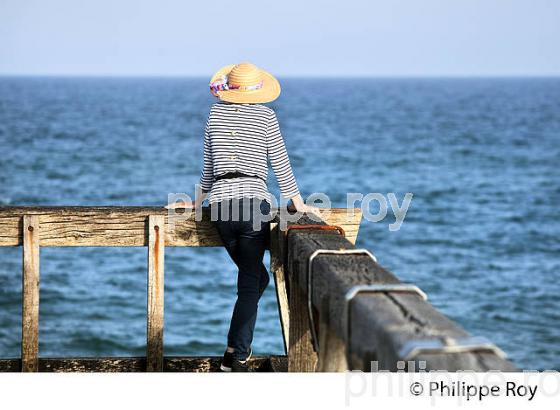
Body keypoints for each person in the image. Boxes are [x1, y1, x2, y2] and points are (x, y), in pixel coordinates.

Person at [169, 62, 319, 372]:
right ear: (256, 91)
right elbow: (280, 164)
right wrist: (299, 204)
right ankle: (234, 356)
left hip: (222, 209)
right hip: (253, 207)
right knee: (250, 283)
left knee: (257, 277)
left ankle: (237, 352)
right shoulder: (266, 116)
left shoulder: (214, 115)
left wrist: (196, 202)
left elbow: (209, 170)